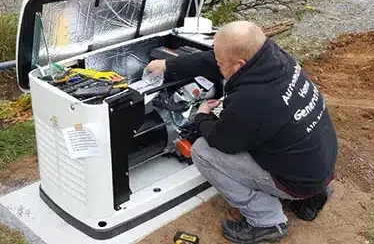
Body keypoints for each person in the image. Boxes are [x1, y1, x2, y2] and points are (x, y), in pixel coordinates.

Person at [145, 20, 338, 243]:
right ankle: (311, 199)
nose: (217, 65)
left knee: (202, 151)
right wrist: (168, 65)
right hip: (319, 166)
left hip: (296, 181)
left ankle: (266, 221)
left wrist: (202, 118)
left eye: (221, 63)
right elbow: (213, 61)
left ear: (239, 65)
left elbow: (222, 141)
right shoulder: (273, 57)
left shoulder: (252, 99)